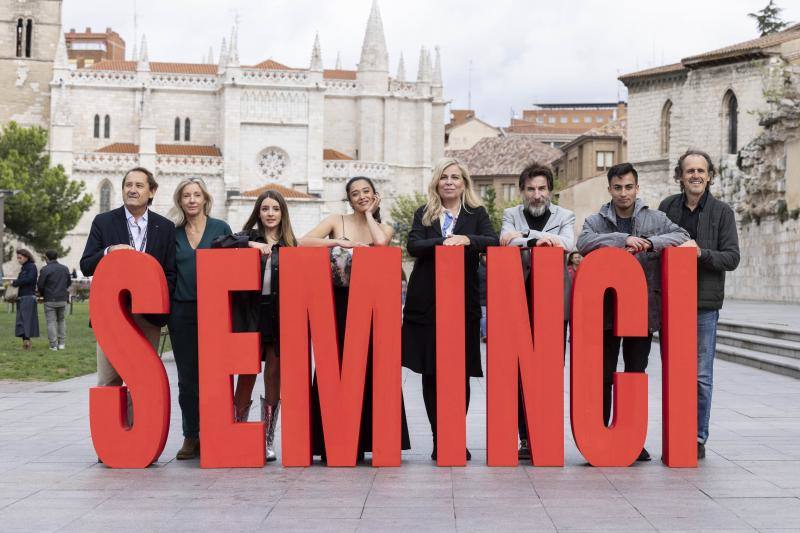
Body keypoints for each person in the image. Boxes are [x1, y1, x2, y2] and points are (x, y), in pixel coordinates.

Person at [577, 162, 689, 462]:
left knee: (635, 375)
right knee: (603, 376)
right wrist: (620, 240)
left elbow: (680, 236)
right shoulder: (596, 220)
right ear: (610, 189)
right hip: (606, 313)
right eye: (618, 187)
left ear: (637, 188)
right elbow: (584, 242)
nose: (623, 193)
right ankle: (599, 438)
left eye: (629, 187)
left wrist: (651, 243)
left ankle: (631, 439)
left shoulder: (656, 218)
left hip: (641, 312)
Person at [301, 176, 411, 461]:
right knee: (334, 367)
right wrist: (337, 241)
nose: (360, 196)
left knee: (373, 370)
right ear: (348, 199)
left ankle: (369, 439)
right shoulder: (337, 220)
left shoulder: (384, 225)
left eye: (366, 192)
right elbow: (300, 241)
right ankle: (331, 441)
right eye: (355, 194)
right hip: (337, 303)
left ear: (375, 196)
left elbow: (380, 243)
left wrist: (368, 215)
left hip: (373, 307)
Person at [402, 157, 498, 461]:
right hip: (427, 305)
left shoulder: (476, 213)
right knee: (431, 373)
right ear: (436, 182)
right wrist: (445, 243)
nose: (449, 182)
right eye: (444, 177)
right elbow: (413, 245)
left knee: (461, 373)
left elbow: (492, 241)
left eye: (455, 177)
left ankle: (454, 434)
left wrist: (466, 239)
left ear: (464, 183)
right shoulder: (424, 213)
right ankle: (438, 438)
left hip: (463, 305)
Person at [659, 149, 740, 460]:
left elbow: (731, 258)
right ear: (680, 176)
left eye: (700, 171)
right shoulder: (667, 207)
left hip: (704, 306)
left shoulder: (723, 213)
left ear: (709, 175)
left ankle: (697, 436)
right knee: (674, 373)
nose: (695, 175)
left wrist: (700, 254)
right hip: (670, 304)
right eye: (689, 170)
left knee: (700, 376)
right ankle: (675, 430)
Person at [499, 162, 576, 460]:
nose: (536, 195)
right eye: (530, 189)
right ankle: (524, 438)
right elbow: (504, 239)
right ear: (522, 191)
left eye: (542, 188)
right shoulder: (510, 214)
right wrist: (539, 239)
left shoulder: (565, 215)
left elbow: (569, 243)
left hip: (554, 306)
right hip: (519, 304)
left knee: (550, 372)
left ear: (550, 191)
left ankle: (544, 432)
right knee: (519, 374)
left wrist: (525, 237)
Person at [80, 167, 176, 402]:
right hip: (112, 316)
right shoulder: (103, 222)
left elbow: (170, 273)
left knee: (143, 382)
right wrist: (108, 251)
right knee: (108, 382)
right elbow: (86, 265)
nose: (132, 190)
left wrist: (162, 305)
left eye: (139, 186)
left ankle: (140, 434)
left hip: (148, 316)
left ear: (151, 192)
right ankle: (111, 436)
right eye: (128, 185)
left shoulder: (165, 227)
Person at [212, 189, 294, 462]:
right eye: (265, 209)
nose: (270, 213)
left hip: (278, 315)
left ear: (283, 213)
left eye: (275, 209)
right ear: (258, 213)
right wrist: (250, 245)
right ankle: (237, 430)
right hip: (250, 314)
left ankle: (267, 438)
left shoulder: (291, 245)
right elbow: (216, 245)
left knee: (273, 373)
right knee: (247, 372)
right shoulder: (247, 238)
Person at [166, 177, 232, 460]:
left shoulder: (220, 228)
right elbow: (167, 273)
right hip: (182, 312)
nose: (192, 200)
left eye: (196, 195)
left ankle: (218, 432)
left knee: (216, 375)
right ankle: (191, 435)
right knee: (188, 377)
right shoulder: (173, 233)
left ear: (205, 198)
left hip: (216, 311)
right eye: (186, 196)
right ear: (180, 201)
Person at [37, 250, 72, 351]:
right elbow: (68, 282)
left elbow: (40, 285)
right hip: (62, 298)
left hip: (49, 299)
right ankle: (61, 344)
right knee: (61, 320)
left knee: (51, 322)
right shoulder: (65, 268)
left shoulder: (45, 269)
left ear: (46, 258)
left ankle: (53, 345)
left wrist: (43, 294)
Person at [13, 249, 39, 350]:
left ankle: (27, 343)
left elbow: (30, 279)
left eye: (20, 258)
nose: (19, 260)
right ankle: (26, 343)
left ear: (26, 257)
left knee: (26, 321)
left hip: (28, 296)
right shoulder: (24, 267)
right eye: (18, 258)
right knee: (22, 321)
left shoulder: (31, 267)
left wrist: (16, 282)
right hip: (22, 296)